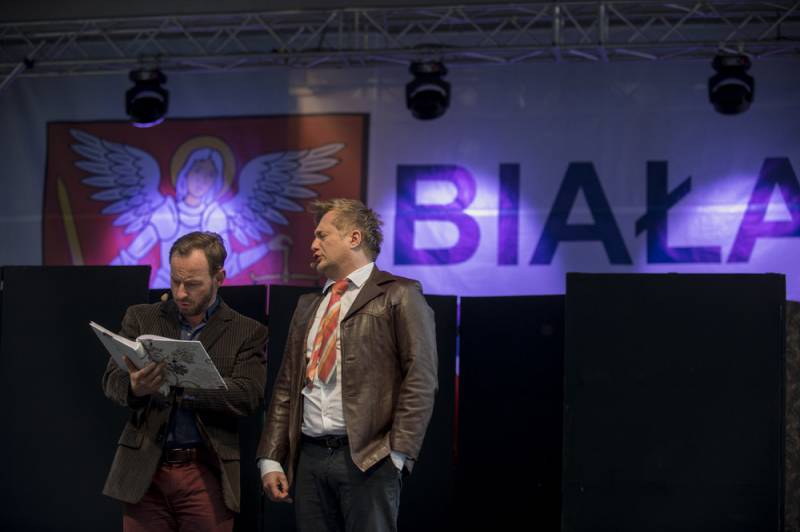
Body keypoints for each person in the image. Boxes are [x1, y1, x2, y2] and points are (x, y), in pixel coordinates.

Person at [256, 198, 438, 532]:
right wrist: (270, 458)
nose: (313, 245)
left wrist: (397, 455)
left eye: (322, 235)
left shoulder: (399, 294)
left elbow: (421, 379)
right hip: (309, 459)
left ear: (354, 238)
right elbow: (286, 386)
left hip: (370, 459)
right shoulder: (308, 305)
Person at [101, 231, 268, 531]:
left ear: (219, 277)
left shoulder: (246, 331)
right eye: (175, 281)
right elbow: (111, 380)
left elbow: (249, 395)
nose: (180, 293)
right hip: (144, 470)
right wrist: (135, 387)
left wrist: (185, 387)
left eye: (192, 284)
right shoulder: (142, 318)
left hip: (206, 470)